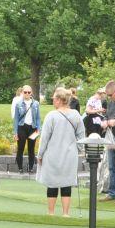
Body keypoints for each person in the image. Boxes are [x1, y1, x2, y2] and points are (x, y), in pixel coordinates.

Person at [36, 87, 84, 216]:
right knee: (66, 183)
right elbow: (81, 136)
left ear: (59, 100)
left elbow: (44, 138)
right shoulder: (76, 115)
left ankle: (51, 212)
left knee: (52, 183)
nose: (53, 101)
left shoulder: (51, 116)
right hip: (70, 155)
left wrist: (40, 155)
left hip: (52, 154)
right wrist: (80, 150)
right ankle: (65, 213)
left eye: (54, 99)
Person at [12, 85, 41, 173]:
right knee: (20, 148)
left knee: (31, 149)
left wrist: (38, 128)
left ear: (31, 93)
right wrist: (15, 132)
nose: (27, 94)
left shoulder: (35, 103)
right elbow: (16, 119)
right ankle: (20, 168)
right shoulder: (19, 104)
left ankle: (31, 167)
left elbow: (38, 118)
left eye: (29, 92)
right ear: (22, 93)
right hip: (22, 127)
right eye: (25, 92)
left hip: (32, 128)